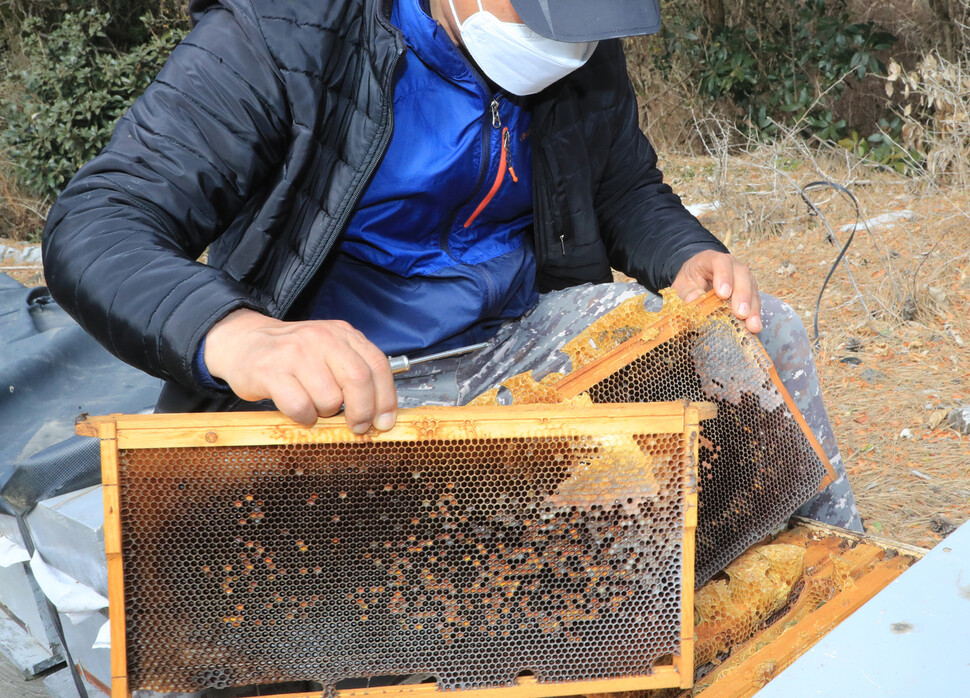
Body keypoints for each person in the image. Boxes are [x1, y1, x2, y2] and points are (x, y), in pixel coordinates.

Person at [41, 0, 860, 529]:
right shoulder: (281, 32)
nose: (563, 42)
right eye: (538, 15)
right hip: (348, 384)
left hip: (517, 341)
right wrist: (239, 334)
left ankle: (821, 579)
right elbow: (98, 221)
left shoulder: (584, 47)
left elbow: (625, 189)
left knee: (756, 336)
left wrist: (688, 255)